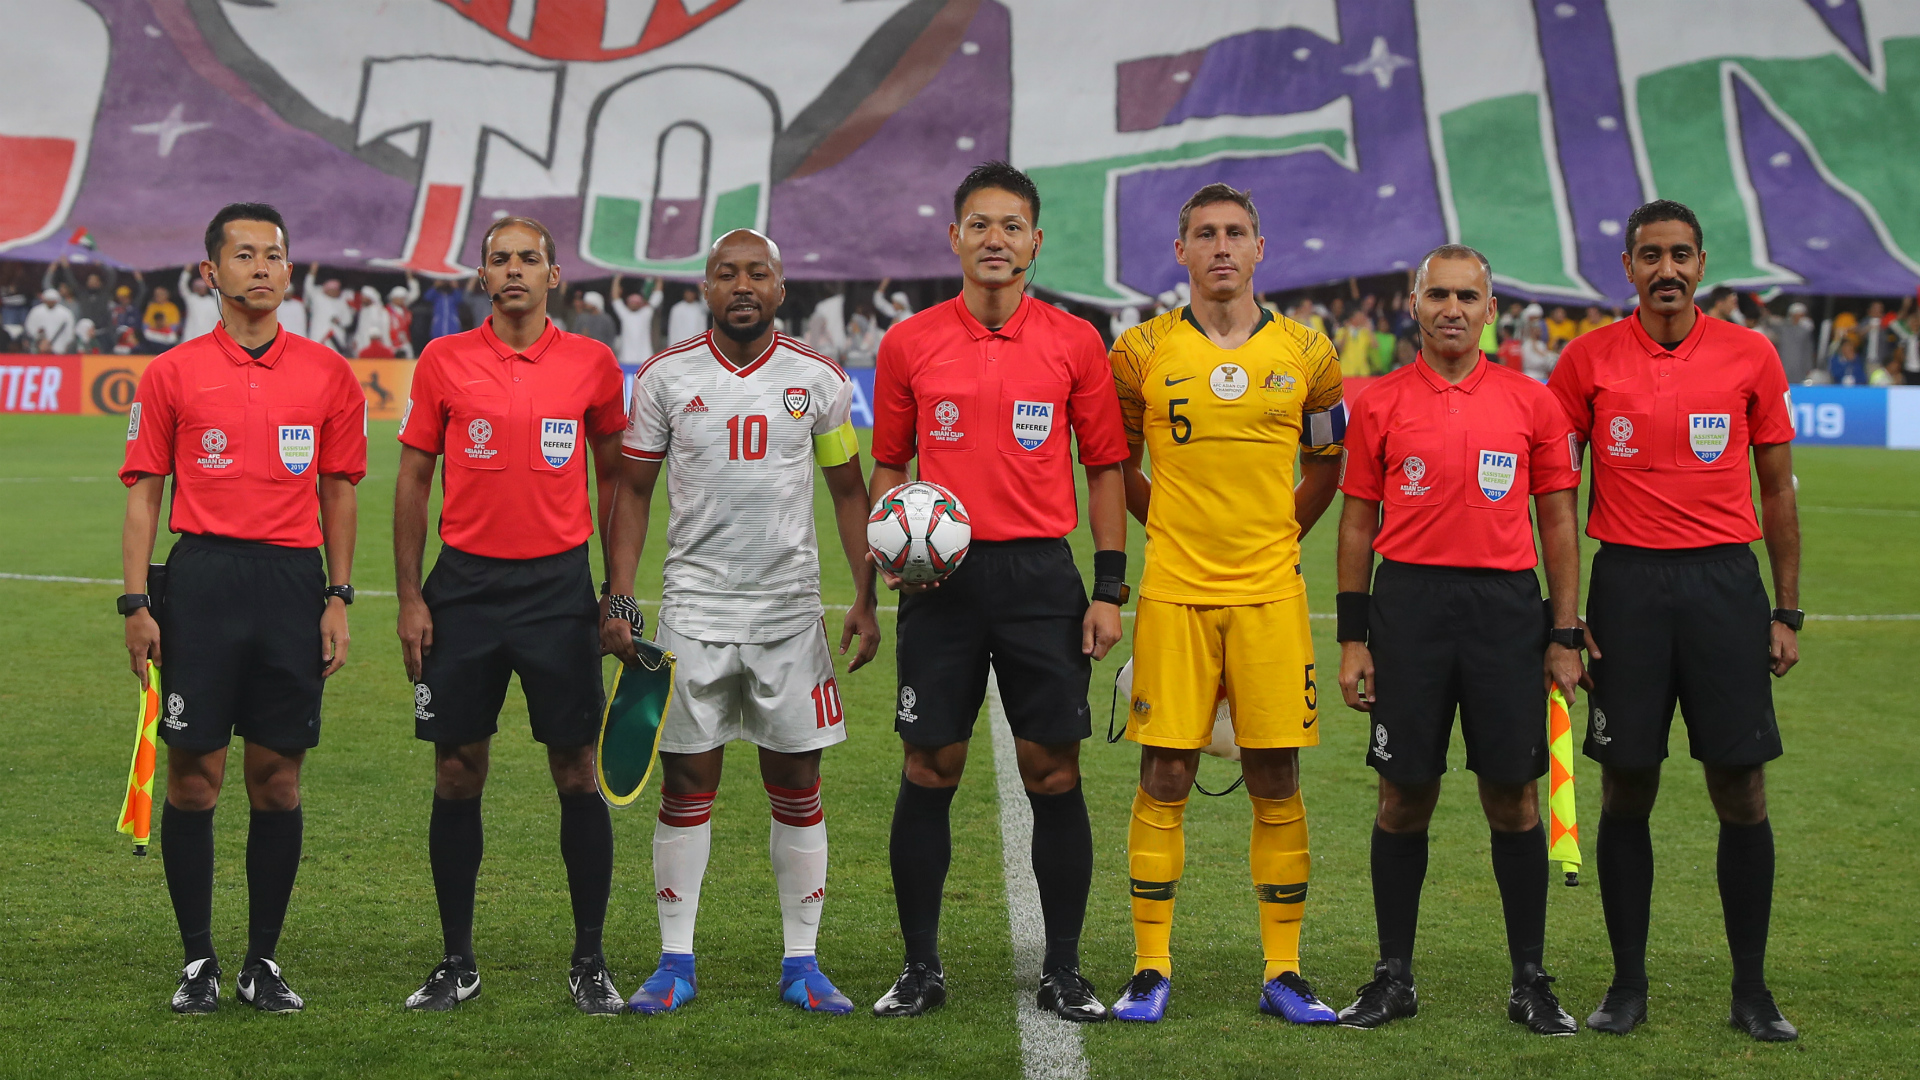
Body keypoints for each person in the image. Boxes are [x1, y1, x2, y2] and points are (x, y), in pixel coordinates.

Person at [868, 161, 1128, 1022]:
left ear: (1035, 242)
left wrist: (1107, 589)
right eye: (979, 225)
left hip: (1039, 577)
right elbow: (892, 465)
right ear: (954, 237)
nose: (995, 240)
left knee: (1052, 772)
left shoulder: (1074, 342)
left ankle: (1063, 968)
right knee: (928, 764)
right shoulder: (909, 343)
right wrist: (891, 543)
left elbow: (1104, 469)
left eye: (1011, 226)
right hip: (939, 580)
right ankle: (919, 967)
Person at [600, 229, 881, 1016]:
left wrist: (863, 595)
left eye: (758, 272)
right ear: (706, 289)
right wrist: (620, 598)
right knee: (689, 783)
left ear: (781, 288)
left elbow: (848, 492)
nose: (742, 285)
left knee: (797, 783)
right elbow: (632, 494)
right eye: (727, 273)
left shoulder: (820, 381)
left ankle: (803, 964)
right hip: (692, 612)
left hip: (791, 615)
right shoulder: (664, 377)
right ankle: (674, 961)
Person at [1548, 199, 1802, 1042]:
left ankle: (1753, 990)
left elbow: (1777, 490)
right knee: (1628, 784)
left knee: (1741, 786)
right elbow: (1555, 495)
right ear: (1627, 266)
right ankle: (1627, 985)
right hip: (1626, 589)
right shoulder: (1585, 360)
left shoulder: (1750, 353)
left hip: (1727, 586)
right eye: (1650, 254)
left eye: (1681, 254)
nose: (1667, 269)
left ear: (1702, 264)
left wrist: (1786, 607)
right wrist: (1566, 615)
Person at [118, 202, 366, 1014]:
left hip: (293, 585)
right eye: (244, 254)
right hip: (202, 582)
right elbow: (144, 494)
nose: (261, 267)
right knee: (194, 780)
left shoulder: (328, 374)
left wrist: (338, 595)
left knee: (278, 781)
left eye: (274, 256)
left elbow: (339, 493)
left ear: (290, 274)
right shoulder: (170, 373)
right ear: (210, 273)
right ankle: (198, 961)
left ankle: (262, 960)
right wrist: (134, 602)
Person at [1107, 183, 1345, 1026]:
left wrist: (1281, 532)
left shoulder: (1312, 354)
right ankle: (1148, 968)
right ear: (1180, 252)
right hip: (1174, 592)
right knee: (1164, 772)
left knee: (1274, 773)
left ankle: (1283, 972)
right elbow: (1111, 463)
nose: (1219, 247)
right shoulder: (1138, 351)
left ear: (1259, 248)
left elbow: (1328, 463)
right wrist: (1164, 521)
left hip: (1271, 595)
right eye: (1203, 234)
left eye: (1234, 233)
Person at [1332, 244, 1584, 1035]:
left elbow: (1558, 525)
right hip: (1407, 607)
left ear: (1489, 311)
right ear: (1414, 303)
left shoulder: (1533, 403)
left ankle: (1530, 980)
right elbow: (1357, 523)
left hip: (1506, 611)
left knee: (1513, 798)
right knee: (1403, 795)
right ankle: (1392, 976)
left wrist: (1565, 631)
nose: (1451, 308)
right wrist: (1353, 637)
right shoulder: (1376, 402)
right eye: (1436, 294)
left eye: (1466, 296)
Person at [393, 216, 629, 1015]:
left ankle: (589, 960)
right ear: (483, 277)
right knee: (458, 769)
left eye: (530, 259)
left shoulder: (592, 365)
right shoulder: (443, 360)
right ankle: (456, 960)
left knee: (576, 770)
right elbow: (413, 482)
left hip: (558, 592)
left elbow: (618, 487)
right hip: (462, 589)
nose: (516, 270)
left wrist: (616, 593)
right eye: (501, 260)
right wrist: (410, 598)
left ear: (554, 276)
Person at [48, 256, 117, 330]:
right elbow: (72, 282)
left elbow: (112, 277)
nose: (92, 282)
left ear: (100, 283)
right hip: (84, 329)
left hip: (102, 330)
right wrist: (66, 267)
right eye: (90, 280)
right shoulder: (82, 293)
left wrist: (102, 265)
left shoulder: (104, 293)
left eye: (95, 280)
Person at [611, 274, 663, 369]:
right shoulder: (625, 314)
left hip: (644, 359)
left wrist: (657, 273)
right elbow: (615, 297)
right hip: (626, 359)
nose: (634, 304)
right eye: (631, 302)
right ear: (627, 304)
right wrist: (617, 277)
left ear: (640, 304)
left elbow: (657, 294)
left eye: (636, 303)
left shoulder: (645, 313)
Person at [303, 267, 353, 354]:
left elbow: (348, 321)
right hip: (319, 336)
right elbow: (308, 287)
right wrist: (312, 272)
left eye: (337, 289)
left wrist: (340, 321)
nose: (335, 292)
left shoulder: (342, 302)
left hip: (336, 339)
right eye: (333, 289)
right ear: (327, 289)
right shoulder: (318, 298)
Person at [1772, 303, 1816, 383]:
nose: (1799, 317)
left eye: (1801, 315)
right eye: (1797, 315)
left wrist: (1809, 368)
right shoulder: (1783, 328)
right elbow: (1769, 323)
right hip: (1784, 365)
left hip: (1799, 367)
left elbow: (1808, 350)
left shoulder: (1805, 330)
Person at [25, 289, 75, 353]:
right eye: (48, 300)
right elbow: (30, 327)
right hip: (40, 347)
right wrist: (39, 339)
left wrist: (66, 344)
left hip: (60, 348)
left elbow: (70, 331)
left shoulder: (65, 313)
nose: (50, 302)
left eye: (52, 300)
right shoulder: (36, 311)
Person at [178, 267, 221, 341]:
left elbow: (217, 293)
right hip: (192, 337)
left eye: (203, 287)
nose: (201, 289)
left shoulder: (213, 301)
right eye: (199, 287)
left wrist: (209, 277)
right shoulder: (192, 299)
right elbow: (182, 287)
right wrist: (186, 272)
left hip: (210, 338)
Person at [1336, 308, 1374, 378]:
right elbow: (1340, 349)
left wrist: (1369, 330)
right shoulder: (1342, 331)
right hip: (1346, 370)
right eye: (1359, 316)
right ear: (1352, 318)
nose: (1361, 318)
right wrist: (1346, 332)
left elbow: (1374, 346)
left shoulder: (1365, 333)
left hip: (1362, 372)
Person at [386, 278, 420, 358]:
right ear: (393, 298)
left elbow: (414, 294)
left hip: (405, 341)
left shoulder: (404, 310)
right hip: (392, 342)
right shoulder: (386, 311)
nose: (402, 300)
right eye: (400, 298)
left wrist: (411, 279)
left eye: (403, 298)